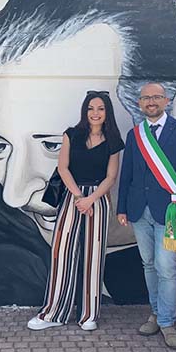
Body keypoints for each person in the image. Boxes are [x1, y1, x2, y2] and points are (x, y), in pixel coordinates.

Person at [0, 0, 176, 307]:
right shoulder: (3, 216)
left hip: (165, 218)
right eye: (0, 147)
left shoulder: (174, 139)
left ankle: (166, 320)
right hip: (117, 218)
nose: (14, 196)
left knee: (166, 268)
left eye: (50, 144)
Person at [26, 92, 124, 331]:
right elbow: (63, 168)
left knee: (94, 256)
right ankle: (53, 313)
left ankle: (89, 315)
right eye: (91, 108)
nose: (95, 113)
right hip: (72, 196)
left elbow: (111, 177)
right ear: (84, 111)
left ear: (107, 112)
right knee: (62, 253)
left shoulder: (113, 140)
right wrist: (80, 198)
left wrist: (91, 199)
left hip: (98, 200)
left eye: (100, 108)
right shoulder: (72, 134)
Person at [117, 82, 176, 349]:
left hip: (170, 212)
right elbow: (127, 173)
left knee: (166, 267)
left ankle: (167, 322)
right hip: (139, 210)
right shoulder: (135, 135)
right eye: (146, 98)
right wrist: (122, 208)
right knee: (149, 264)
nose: (151, 102)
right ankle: (155, 313)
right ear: (139, 103)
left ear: (166, 101)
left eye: (156, 97)